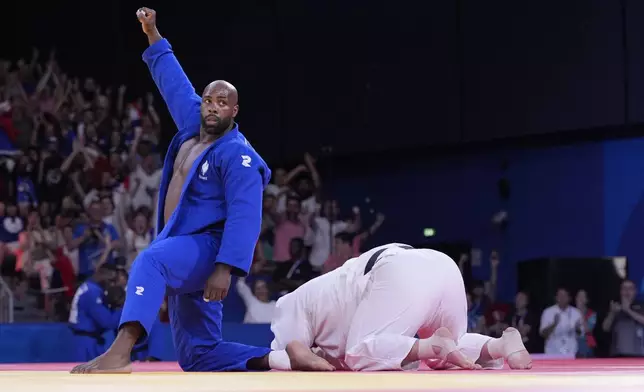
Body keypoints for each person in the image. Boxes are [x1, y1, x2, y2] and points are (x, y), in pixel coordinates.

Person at [71, 7, 330, 374]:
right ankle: (284, 359)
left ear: (234, 110)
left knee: (151, 259)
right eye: (209, 100)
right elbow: (173, 81)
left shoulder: (238, 155)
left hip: (209, 248)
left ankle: (120, 353)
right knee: (199, 356)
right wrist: (152, 32)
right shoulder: (193, 127)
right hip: (183, 243)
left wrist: (224, 269)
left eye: (222, 102)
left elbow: (245, 214)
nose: (212, 107)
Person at [270, 244, 532, 371]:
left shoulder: (290, 303)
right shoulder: (326, 289)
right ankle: (500, 345)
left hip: (399, 270)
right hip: (442, 266)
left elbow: (288, 355)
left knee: (359, 353)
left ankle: (431, 344)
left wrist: (314, 357)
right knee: (450, 350)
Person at [68, 265, 123, 362]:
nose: (112, 284)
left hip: (88, 339)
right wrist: (121, 307)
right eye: (111, 280)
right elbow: (107, 322)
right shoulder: (92, 292)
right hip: (86, 342)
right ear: (101, 275)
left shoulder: (90, 288)